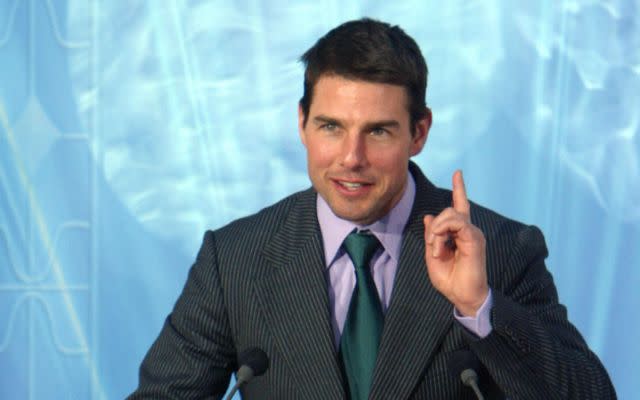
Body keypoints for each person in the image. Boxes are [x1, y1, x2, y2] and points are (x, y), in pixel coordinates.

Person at [129, 18, 616, 399]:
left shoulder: (502, 248)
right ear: (301, 123)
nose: (351, 158)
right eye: (330, 127)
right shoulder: (234, 257)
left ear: (419, 133)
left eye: (378, 131)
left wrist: (479, 306)